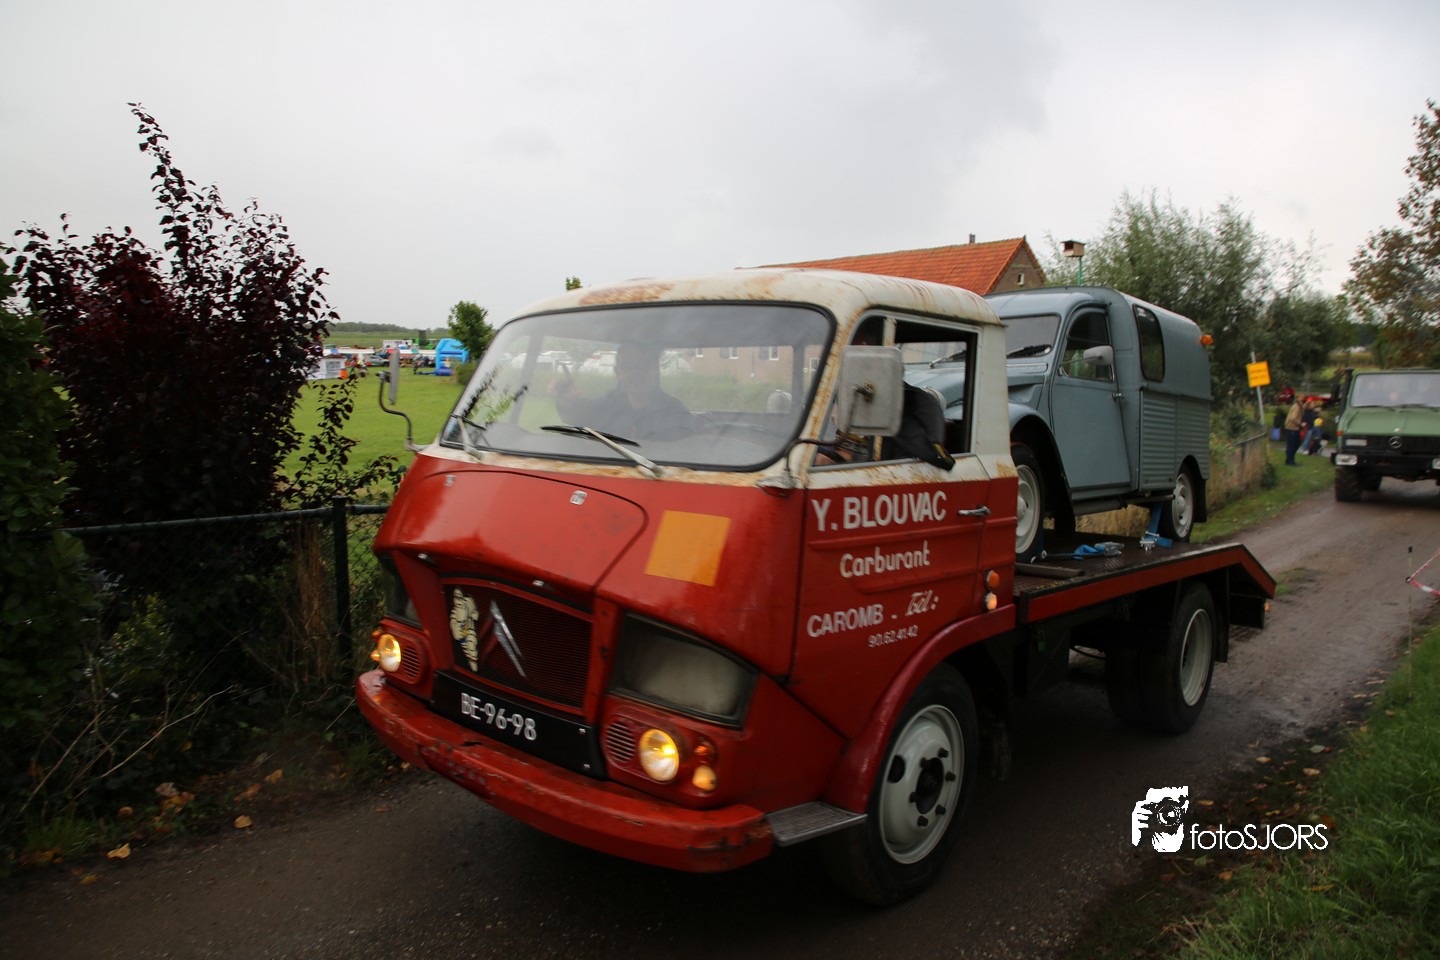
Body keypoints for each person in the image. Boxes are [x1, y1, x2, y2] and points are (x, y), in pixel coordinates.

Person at [551, 343, 693, 441]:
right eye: (626, 366)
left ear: (655, 371)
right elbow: (581, 416)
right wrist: (567, 401)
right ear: (617, 372)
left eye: (642, 365)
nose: (634, 373)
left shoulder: (674, 410)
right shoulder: (610, 403)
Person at [1283, 396, 1304, 466]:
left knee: (1293, 444)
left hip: (1293, 428)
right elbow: (1293, 418)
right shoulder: (1296, 408)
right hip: (1292, 428)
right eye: (1302, 401)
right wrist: (1300, 423)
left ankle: (1289, 459)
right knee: (1293, 445)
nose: (1302, 403)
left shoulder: (1297, 407)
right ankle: (1290, 460)